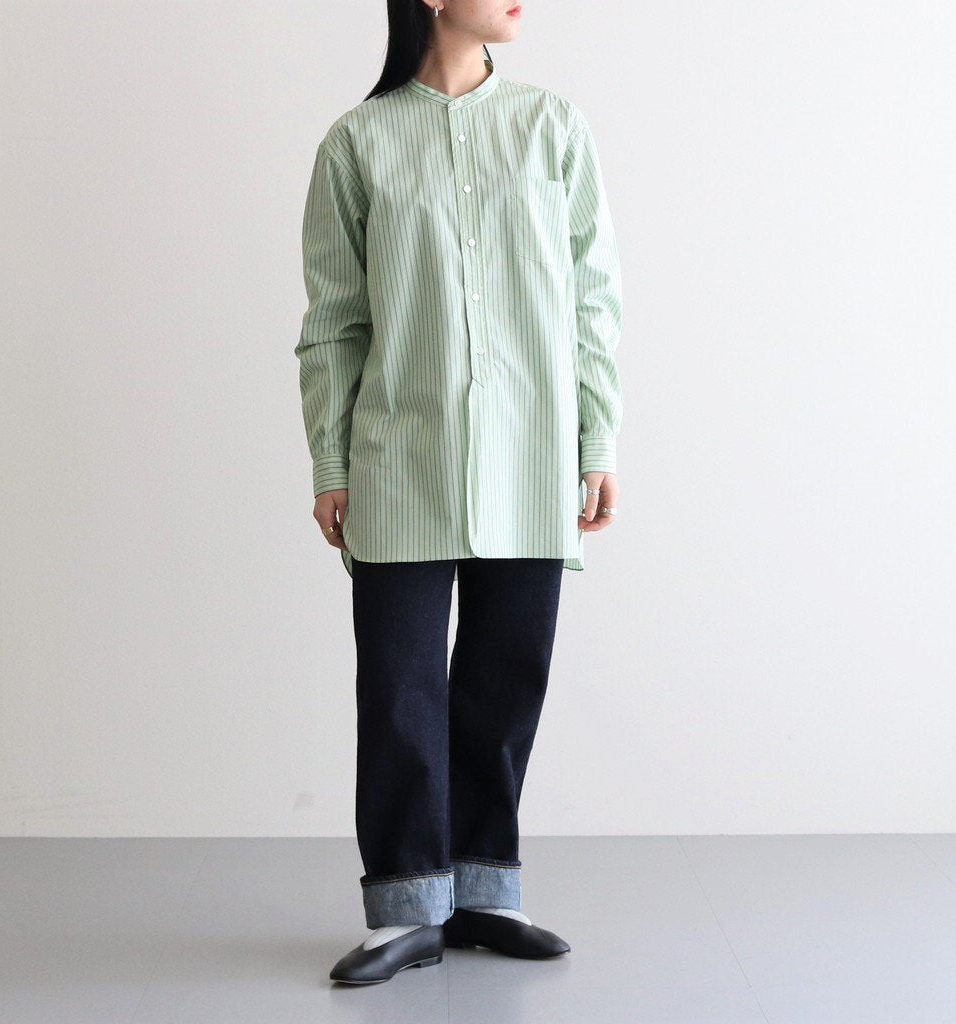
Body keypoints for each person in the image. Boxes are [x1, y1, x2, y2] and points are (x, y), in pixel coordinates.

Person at [295, 0, 624, 986]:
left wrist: (597, 438)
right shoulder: (358, 142)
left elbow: (593, 296)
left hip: (530, 454)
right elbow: (335, 319)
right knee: (399, 687)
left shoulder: (552, 128)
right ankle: (405, 908)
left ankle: (483, 893)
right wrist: (330, 463)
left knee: (504, 679)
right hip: (401, 454)